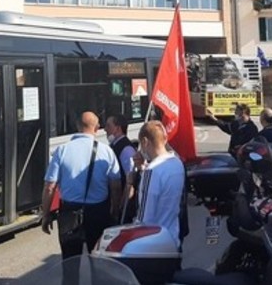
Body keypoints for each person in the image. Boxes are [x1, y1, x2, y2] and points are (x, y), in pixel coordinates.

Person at [41, 111, 122, 259]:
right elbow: (115, 187)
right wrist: (114, 212)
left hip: (69, 214)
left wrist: (46, 214)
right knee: (99, 263)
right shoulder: (107, 151)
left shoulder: (62, 150)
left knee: (70, 263)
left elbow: (49, 187)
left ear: (77, 126)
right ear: (97, 128)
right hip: (98, 213)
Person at [133, 121, 186, 247]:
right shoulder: (177, 163)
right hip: (172, 237)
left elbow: (145, 217)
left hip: (154, 243)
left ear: (145, 142)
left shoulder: (152, 171)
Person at [105, 114, 138, 222]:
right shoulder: (114, 146)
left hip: (124, 210)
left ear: (118, 128)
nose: (105, 130)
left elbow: (130, 182)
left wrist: (122, 206)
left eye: (108, 126)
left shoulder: (126, 149)